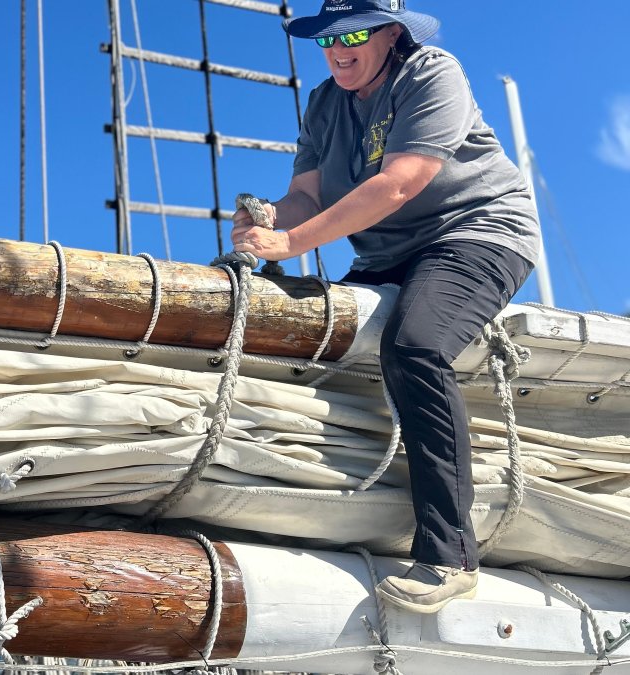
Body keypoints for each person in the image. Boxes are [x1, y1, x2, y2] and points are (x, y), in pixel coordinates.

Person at [231, 0, 540, 614]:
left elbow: (400, 181)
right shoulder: (324, 102)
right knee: (319, 350)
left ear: (393, 33)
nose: (338, 48)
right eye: (328, 37)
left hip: (475, 232)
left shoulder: (432, 72)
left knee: (414, 345)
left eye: (356, 33)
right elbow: (304, 196)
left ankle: (449, 555)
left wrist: (290, 243)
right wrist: (268, 221)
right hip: (385, 254)